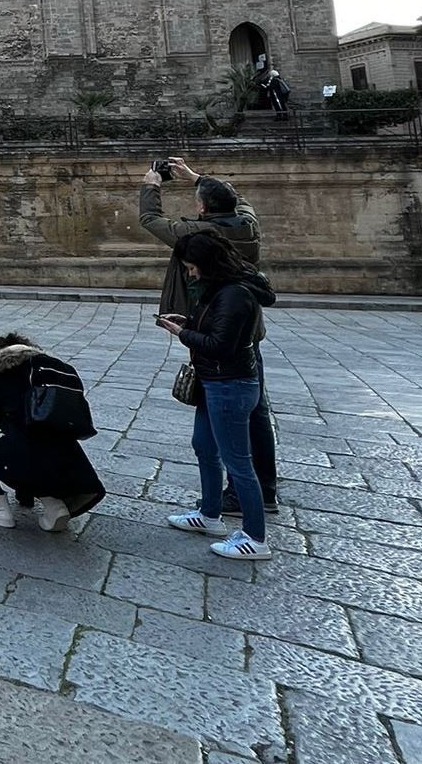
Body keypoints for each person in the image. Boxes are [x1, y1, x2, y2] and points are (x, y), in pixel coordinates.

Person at [140, 158, 278, 513]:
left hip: (209, 327)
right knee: (256, 409)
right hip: (248, 330)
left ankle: (237, 493)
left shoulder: (197, 235)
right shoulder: (248, 224)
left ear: (201, 207)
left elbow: (150, 220)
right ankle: (265, 488)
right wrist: (197, 177)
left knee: (222, 409)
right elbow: (240, 200)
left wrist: (152, 185)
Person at [157, 230, 277, 561]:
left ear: (207, 264)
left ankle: (255, 538)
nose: (189, 273)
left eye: (192, 267)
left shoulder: (235, 294)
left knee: (238, 463)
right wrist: (191, 320)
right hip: (214, 383)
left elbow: (221, 346)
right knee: (204, 447)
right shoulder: (222, 290)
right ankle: (209, 514)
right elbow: (216, 328)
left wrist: (183, 333)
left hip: (230, 385)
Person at [0, 333, 105, 532]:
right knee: (36, 438)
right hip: (71, 464)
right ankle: (53, 504)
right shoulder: (56, 370)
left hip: (27, 459)